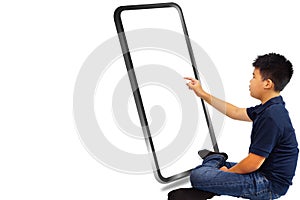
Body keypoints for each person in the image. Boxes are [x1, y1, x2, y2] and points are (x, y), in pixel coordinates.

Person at [184, 53, 298, 199]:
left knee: (197, 175)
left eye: (254, 76)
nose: (250, 81)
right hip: (261, 172)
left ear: (267, 83)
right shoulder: (270, 108)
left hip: (268, 185)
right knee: (213, 172)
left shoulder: (272, 116)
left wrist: (226, 174)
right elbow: (235, 112)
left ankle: (214, 160)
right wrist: (202, 93)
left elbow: (252, 164)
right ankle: (213, 168)